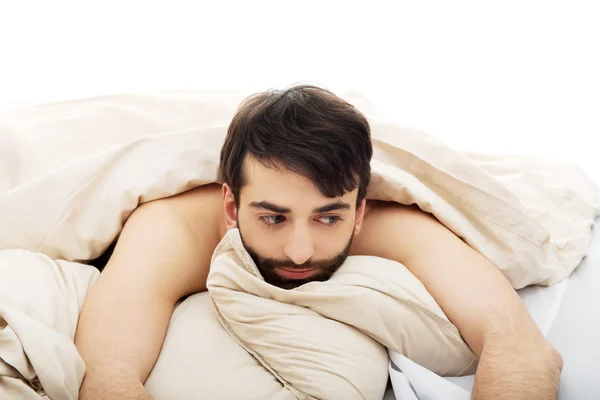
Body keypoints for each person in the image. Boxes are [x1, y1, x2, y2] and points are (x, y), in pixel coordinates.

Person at [74, 85, 563, 399]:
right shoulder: (171, 230)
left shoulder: (390, 227)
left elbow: (519, 349)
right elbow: (105, 375)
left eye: (328, 218)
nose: (300, 251)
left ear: (359, 212)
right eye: (272, 218)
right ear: (230, 208)